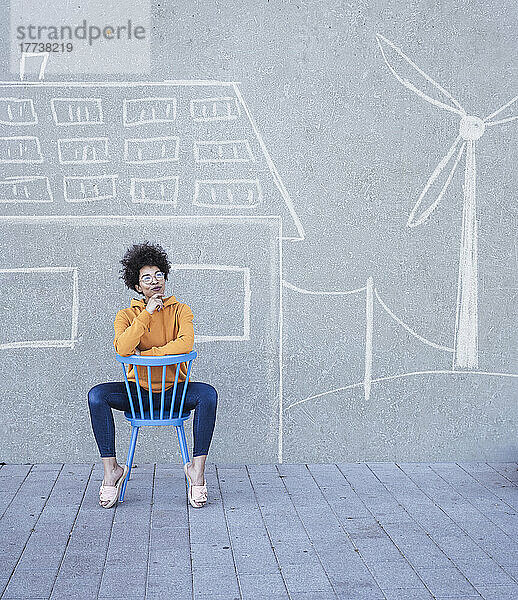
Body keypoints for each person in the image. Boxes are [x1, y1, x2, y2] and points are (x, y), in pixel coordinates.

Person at [87, 241, 218, 509]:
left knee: (208, 395)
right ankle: (111, 470)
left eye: (159, 275)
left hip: (175, 393)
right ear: (137, 286)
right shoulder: (126, 315)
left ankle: (197, 471)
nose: (154, 281)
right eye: (146, 278)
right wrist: (146, 314)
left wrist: (144, 357)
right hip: (139, 393)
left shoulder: (181, 309)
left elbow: (185, 345)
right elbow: (123, 348)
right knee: (96, 396)